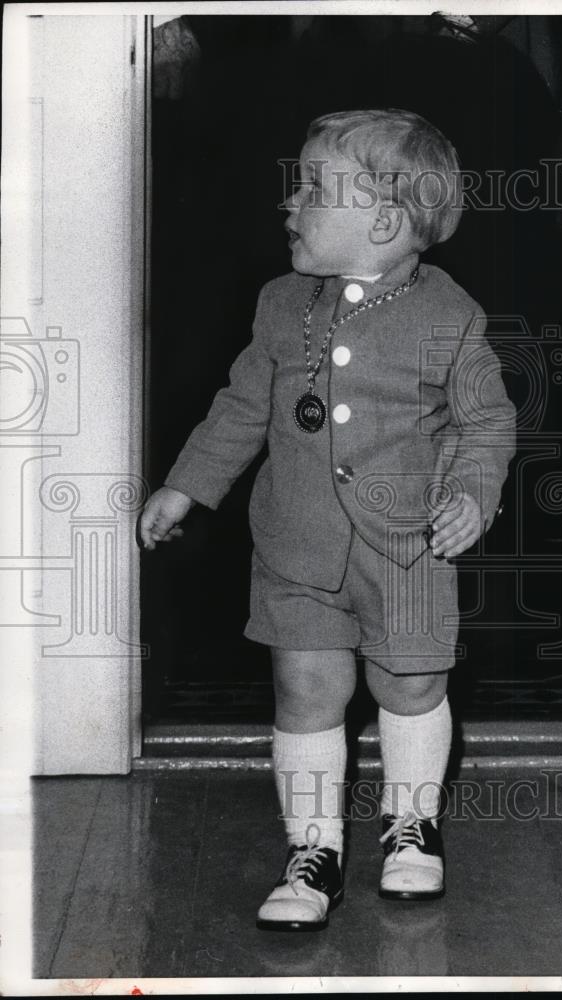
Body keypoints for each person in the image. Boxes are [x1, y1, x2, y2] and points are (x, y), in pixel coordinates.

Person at [139, 108, 516, 931]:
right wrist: (188, 484)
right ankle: (313, 852)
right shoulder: (281, 304)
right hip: (295, 543)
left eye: (313, 188)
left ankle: (411, 830)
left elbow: (486, 423)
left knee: (411, 682)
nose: (291, 204)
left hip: (409, 547)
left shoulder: (448, 314)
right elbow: (243, 406)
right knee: (305, 688)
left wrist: (471, 496)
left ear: (384, 220)